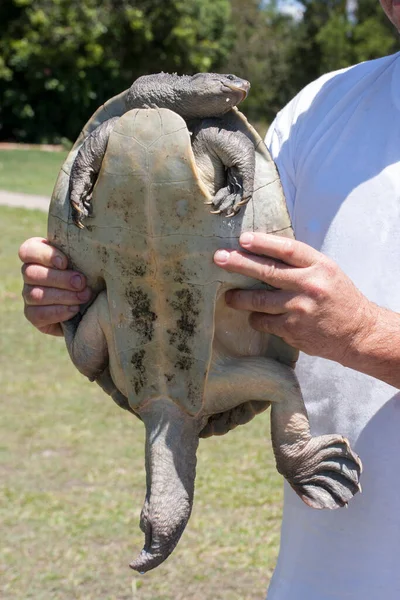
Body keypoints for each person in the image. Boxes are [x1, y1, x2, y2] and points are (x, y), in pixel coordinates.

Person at [18, 2, 400, 597]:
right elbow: (216, 249)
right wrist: (65, 292)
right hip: (316, 571)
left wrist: (363, 334)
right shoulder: (318, 109)